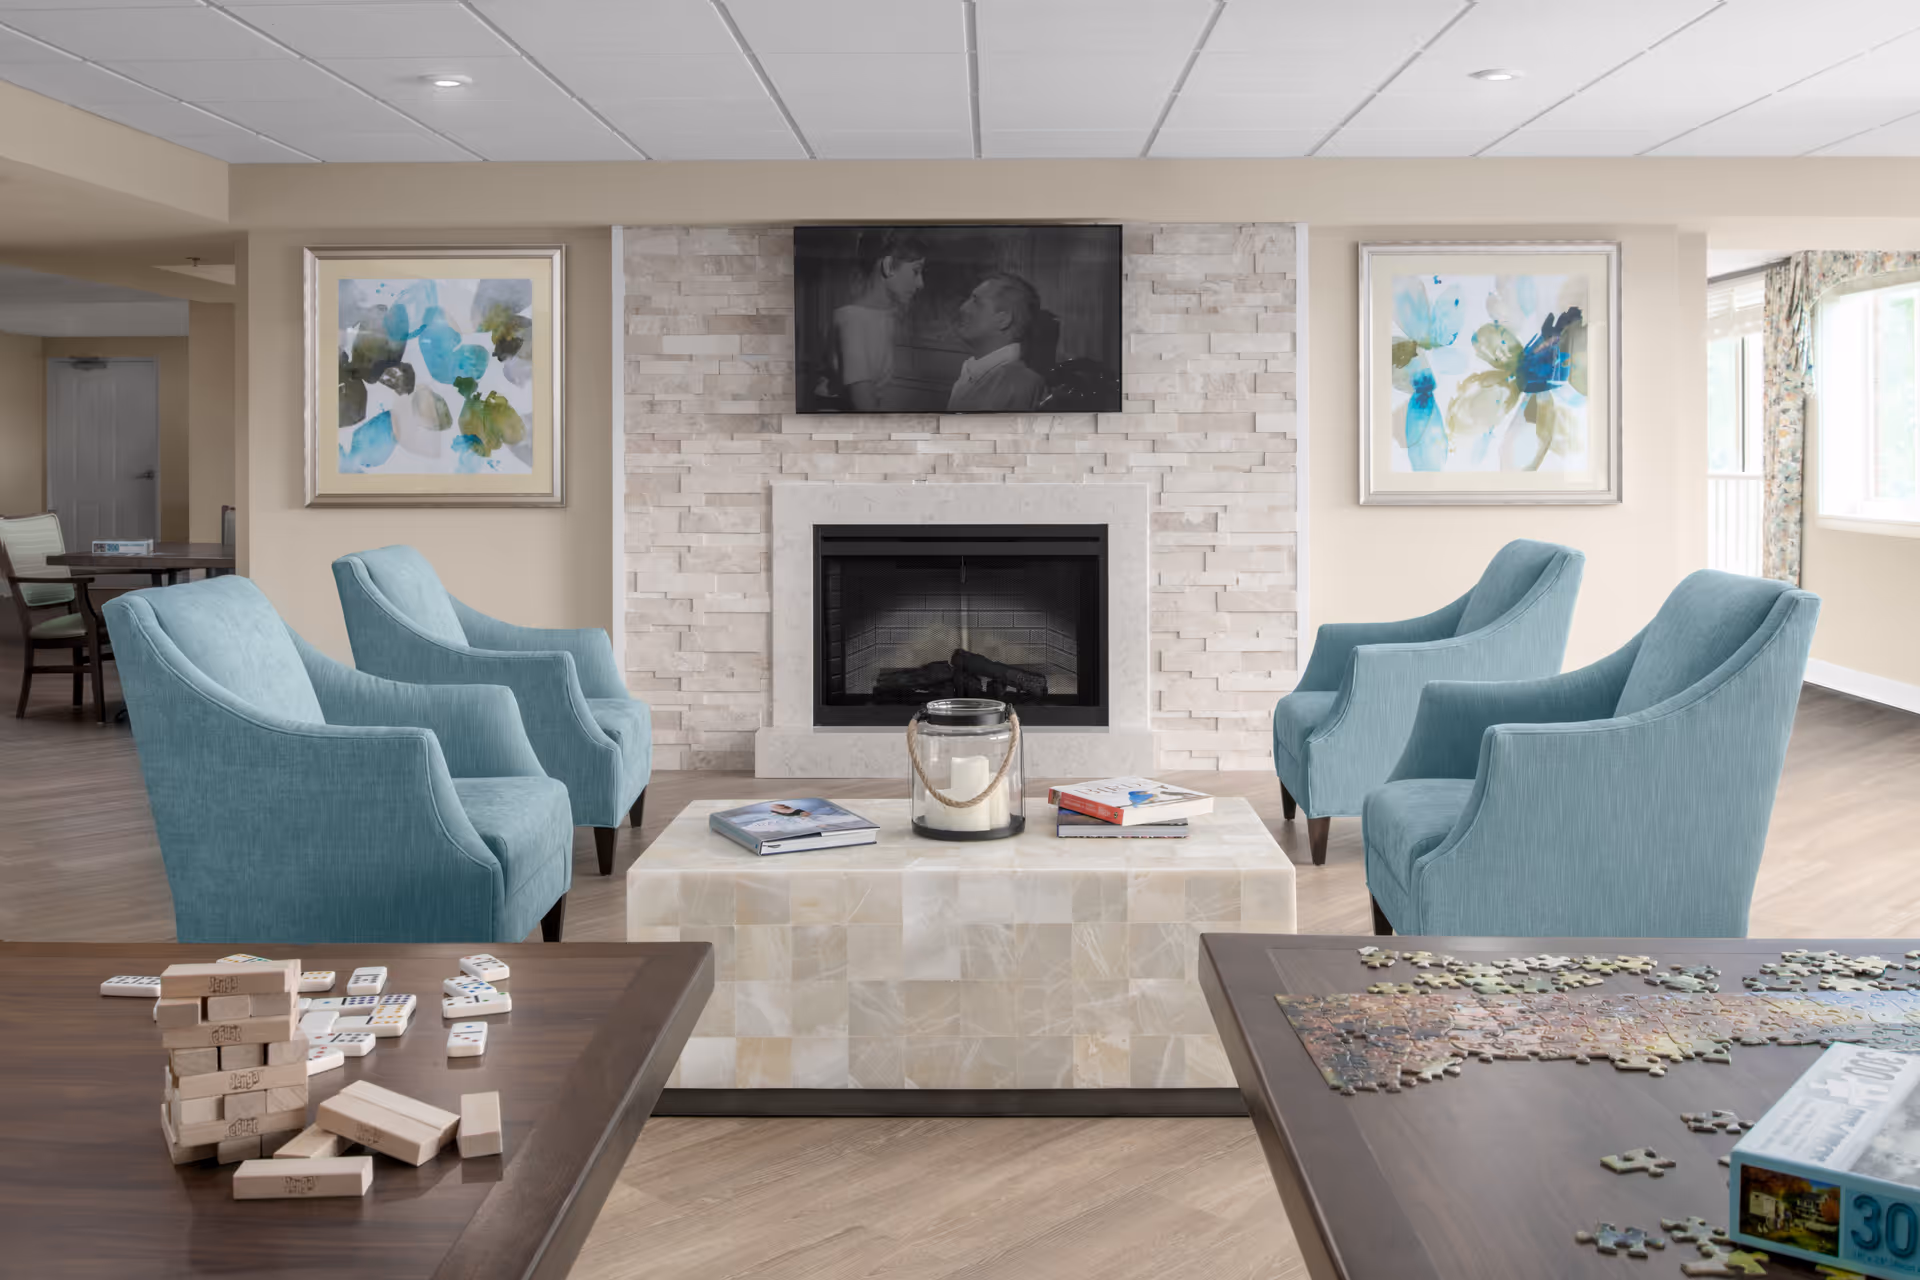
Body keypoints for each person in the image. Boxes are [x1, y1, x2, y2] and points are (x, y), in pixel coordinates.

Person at [828, 230, 926, 412]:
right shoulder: (853, 319)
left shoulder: (885, 317)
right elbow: (864, 405)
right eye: (916, 271)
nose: (921, 283)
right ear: (888, 266)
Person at [949, 272, 1046, 413]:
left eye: (976, 302)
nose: (963, 308)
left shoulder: (1020, 384)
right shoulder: (976, 373)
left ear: (1003, 320)